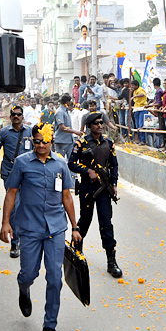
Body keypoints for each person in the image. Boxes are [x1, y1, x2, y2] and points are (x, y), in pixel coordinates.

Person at [0, 123, 81, 331]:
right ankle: (22, 287)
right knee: (29, 273)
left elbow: (67, 196)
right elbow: (12, 193)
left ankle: (50, 325)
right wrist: (6, 222)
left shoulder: (61, 164)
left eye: (45, 140)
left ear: (51, 141)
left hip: (55, 229)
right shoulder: (22, 163)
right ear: (32, 141)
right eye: (37, 140)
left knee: (55, 277)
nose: (41, 144)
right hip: (30, 228)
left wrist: (74, 227)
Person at [68, 112, 123, 279]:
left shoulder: (109, 143)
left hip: (104, 188)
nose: (100, 125)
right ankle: (77, 249)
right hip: (87, 187)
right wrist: (87, 170)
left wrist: (114, 184)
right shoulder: (81, 143)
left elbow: (114, 165)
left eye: (101, 123)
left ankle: (111, 261)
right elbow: (71, 163)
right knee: (85, 219)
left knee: (106, 222)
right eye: (96, 123)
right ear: (90, 126)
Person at [0, 105, 33, 259]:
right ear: (10, 117)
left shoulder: (30, 132)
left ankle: (27, 238)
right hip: (9, 173)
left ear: (23, 116)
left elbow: (40, 151)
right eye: (14, 114)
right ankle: (15, 243)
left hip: (27, 174)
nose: (16, 117)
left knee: (26, 205)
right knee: (14, 206)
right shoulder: (3, 133)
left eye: (19, 114)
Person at [54, 94, 83, 160]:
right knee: (60, 160)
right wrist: (75, 131)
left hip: (69, 140)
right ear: (67, 102)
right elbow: (62, 127)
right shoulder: (60, 111)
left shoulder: (66, 111)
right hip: (62, 141)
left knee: (71, 160)